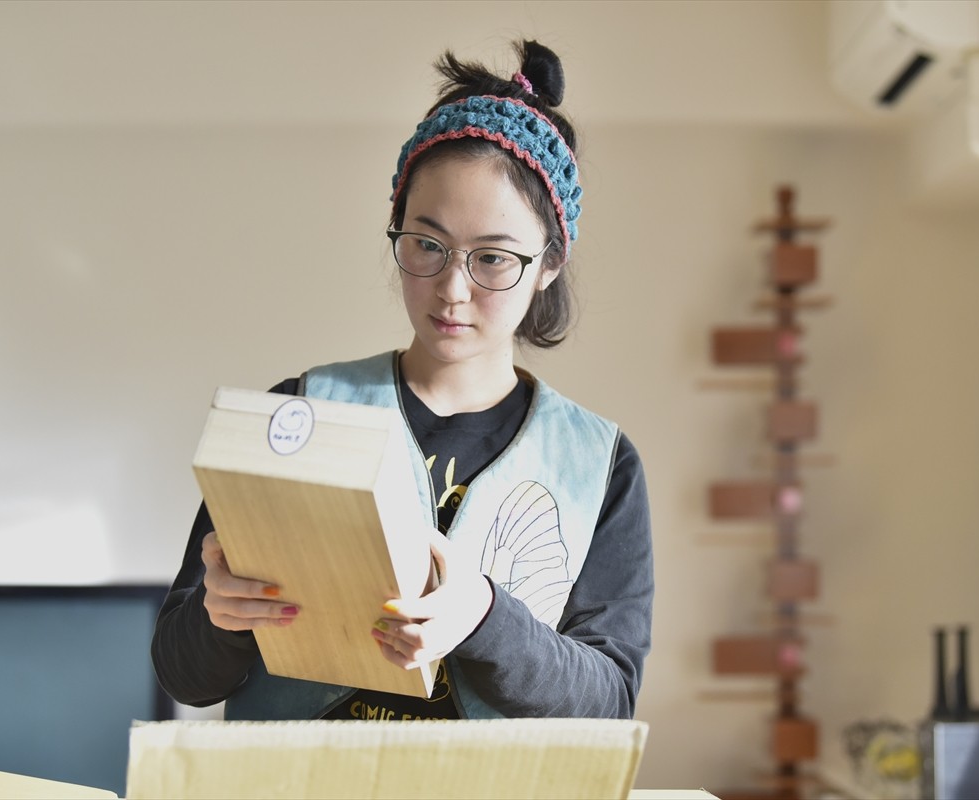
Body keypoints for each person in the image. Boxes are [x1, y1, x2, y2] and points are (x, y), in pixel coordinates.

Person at [151, 40, 653, 721]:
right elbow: (184, 675)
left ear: (549, 264)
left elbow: (608, 701)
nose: (452, 288)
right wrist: (219, 616)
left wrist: (483, 614)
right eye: (427, 244)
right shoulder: (297, 411)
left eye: (494, 258)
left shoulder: (599, 464)